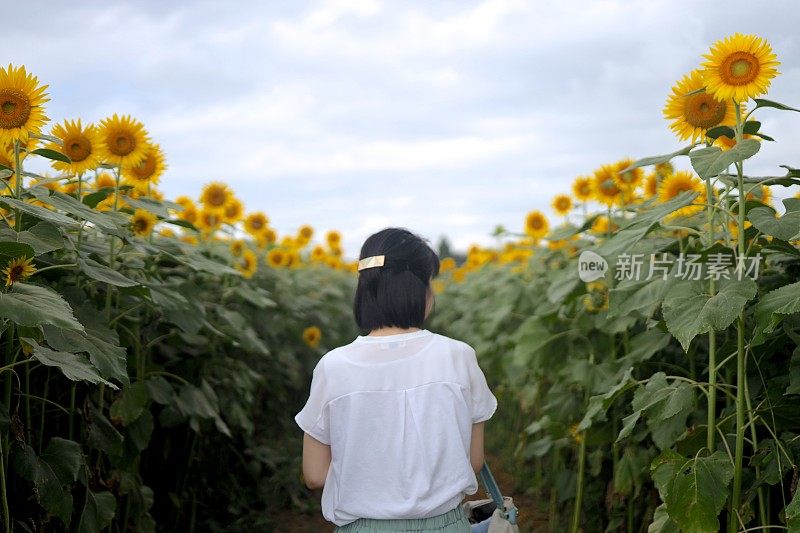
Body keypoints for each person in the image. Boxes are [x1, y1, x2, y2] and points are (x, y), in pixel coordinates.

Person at [294, 227, 498, 532]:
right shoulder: (459, 357)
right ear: (418, 289)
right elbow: (474, 462)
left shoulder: (333, 366)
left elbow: (315, 475)